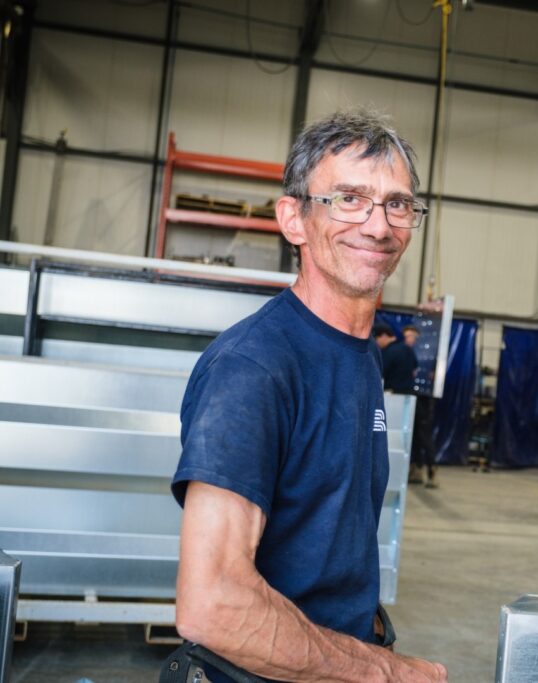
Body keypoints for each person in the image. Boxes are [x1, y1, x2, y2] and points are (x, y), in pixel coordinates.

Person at [170, 110, 447, 683]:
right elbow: (213, 604)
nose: (378, 225)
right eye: (349, 198)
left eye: (397, 203)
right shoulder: (254, 367)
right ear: (293, 218)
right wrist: (385, 673)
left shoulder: (360, 352)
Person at [374, 322, 417, 394]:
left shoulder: (387, 352)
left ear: (384, 336)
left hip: (391, 394)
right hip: (408, 394)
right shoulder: (407, 348)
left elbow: (380, 374)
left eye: (376, 339)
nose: (376, 342)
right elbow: (414, 371)